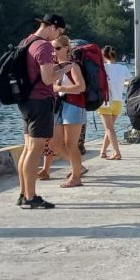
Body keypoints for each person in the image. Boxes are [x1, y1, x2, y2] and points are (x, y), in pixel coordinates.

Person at [16, 15, 73, 208]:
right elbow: (48, 79)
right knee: (35, 150)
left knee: (27, 149)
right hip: (40, 101)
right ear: (53, 27)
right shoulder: (44, 46)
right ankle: (31, 198)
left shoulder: (27, 41)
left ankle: (23, 193)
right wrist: (65, 70)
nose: (57, 37)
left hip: (26, 100)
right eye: (59, 32)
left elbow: (37, 72)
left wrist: (57, 67)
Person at [37, 35, 87, 187]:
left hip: (73, 106)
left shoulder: (73, 66)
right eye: (52, 48)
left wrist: (60, 88)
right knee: (54, 144)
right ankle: (78, 167)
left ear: (66, 48)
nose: (54, 51)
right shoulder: (52, 66)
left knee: (71, 144)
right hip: (58, 107)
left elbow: (81, 87)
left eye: (57, 48)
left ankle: (76, 177)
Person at [97, 46, 132, 160]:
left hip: (106, 101)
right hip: (118, 101)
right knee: (110, 128)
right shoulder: (123, 68)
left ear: (103, 56)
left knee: (109, 129)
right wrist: (122, 83)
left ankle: (117, 152)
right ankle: (103, 152)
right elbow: (131, 81)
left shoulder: (103, 68)